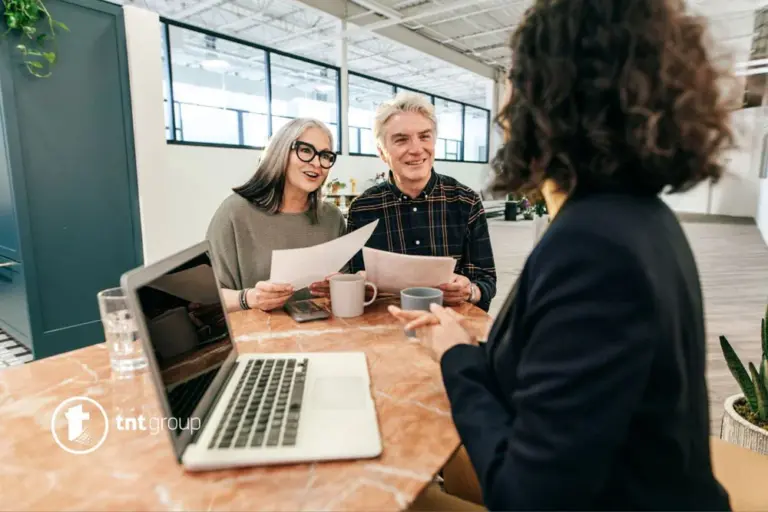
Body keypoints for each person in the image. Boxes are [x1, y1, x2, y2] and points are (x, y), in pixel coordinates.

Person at [391, 0, 737, 509]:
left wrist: (454, 358)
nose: (505, 109)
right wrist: (468, 344)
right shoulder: (636, 217)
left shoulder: (593, 247)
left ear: (548, 96)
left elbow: (525, 495)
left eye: (515, 78)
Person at [343, 92, 497, 312]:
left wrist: (470, 290)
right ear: (382, 152)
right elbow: (354, 282)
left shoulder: (466, 201)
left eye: (424, 136)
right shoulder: (363, 209)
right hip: (385, 330)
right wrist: (359, 285)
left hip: (451, 327)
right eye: (401, 139)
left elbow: (486, 280)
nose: (416, 149)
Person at [206, 118, 345, 313]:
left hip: (324, 336)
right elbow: (206, 301)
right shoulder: (234, 213)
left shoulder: (332, 218)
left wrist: (337, 288)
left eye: (325, 155)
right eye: (305, 150)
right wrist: (250, 298)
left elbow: (345, 281)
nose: (317, 163)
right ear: (280, 152)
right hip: (258, 338)